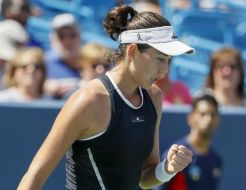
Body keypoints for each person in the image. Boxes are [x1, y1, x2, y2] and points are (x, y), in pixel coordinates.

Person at [17, 5, 194, 190]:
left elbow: (144, 177)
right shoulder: (89, 101)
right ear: (132, 51)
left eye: (168, 60)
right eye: (159, 58)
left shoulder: (154, 97)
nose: (165, 70)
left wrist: (168, 168)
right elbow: (34, 176)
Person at [154, 90, 222, 190]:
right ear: (191, 118)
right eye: (203, 114)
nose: (209, 119)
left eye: (213, 115)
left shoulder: (216, 160)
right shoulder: (177, 154)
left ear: (218, 120)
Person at [44, 13, 82, 99]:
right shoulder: (42, 63)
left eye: (72, 35)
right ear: (53, 39)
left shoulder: (92, 62)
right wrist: (41, 85)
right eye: (61, 36)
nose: (67, 41)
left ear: (79, 37)